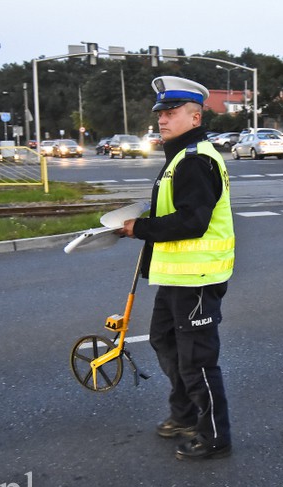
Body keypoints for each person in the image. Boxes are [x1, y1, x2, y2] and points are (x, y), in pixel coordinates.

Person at [117, 76, 234, 461]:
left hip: (198, 278)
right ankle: (184, 415)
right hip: (176, 276)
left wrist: (141, 229)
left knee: (197, 360)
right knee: (164, 341)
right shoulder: (179, 157)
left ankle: (214, 435)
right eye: (161, 114)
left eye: (171, 113)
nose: (162, 121)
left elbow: (193, 221)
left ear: (195, 117)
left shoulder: (196, 160)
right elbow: (179, 211)